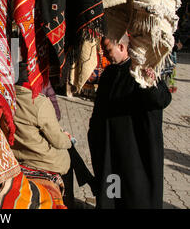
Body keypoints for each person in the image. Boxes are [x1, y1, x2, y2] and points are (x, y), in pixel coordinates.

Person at [88, 33, 172, 209]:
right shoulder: (109, 73)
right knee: (112, 196)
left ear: (121, 47)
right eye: (103, 50)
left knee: (133, 199)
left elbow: (161, 100)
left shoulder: (141, 70)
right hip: (111, 155)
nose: (104, 54)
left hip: (135, 158)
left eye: (107, 49)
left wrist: (150, 84)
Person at [10, 62, 73, 191]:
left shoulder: (7, 99)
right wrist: (68, 139)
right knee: (68, 153)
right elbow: (59, 142)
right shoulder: (39, 103)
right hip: (39, 159)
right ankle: (70, 200)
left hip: (17, 152)